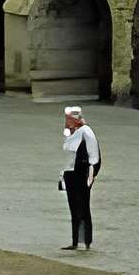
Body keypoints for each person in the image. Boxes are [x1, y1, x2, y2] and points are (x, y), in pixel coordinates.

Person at [58, 105, 101, 250]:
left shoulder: (86, 131)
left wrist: (92, 174)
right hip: (70, 174)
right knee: (73, 207)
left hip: (82, 174)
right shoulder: (69, 134)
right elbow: (66, 158)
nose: (67, 121)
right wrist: (62, 177)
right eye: (67, 118)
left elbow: (94, 156)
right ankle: (75, 241)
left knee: (83, 207)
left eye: (70, 119)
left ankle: (87, 241)